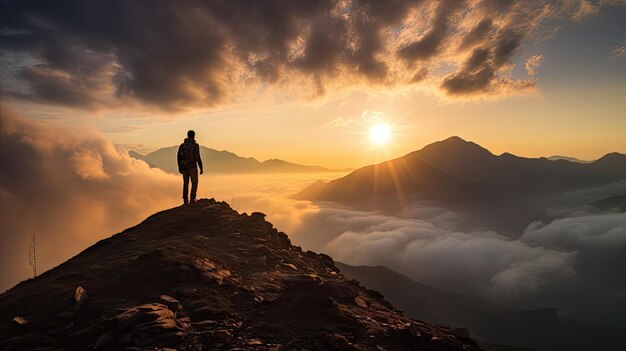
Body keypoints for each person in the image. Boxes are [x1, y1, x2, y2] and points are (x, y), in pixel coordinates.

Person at [177, 130, 203, 204]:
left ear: (187, 135)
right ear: (194, 136)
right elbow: (197, 157)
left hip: (184, 167)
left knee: (186, 183)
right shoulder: (195, 145)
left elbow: (178, 157)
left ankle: (185, 199)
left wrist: (179, 167)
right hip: (192, 167)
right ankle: (192, 198)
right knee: (194, 182)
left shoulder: (182, 146)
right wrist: (201, 167)